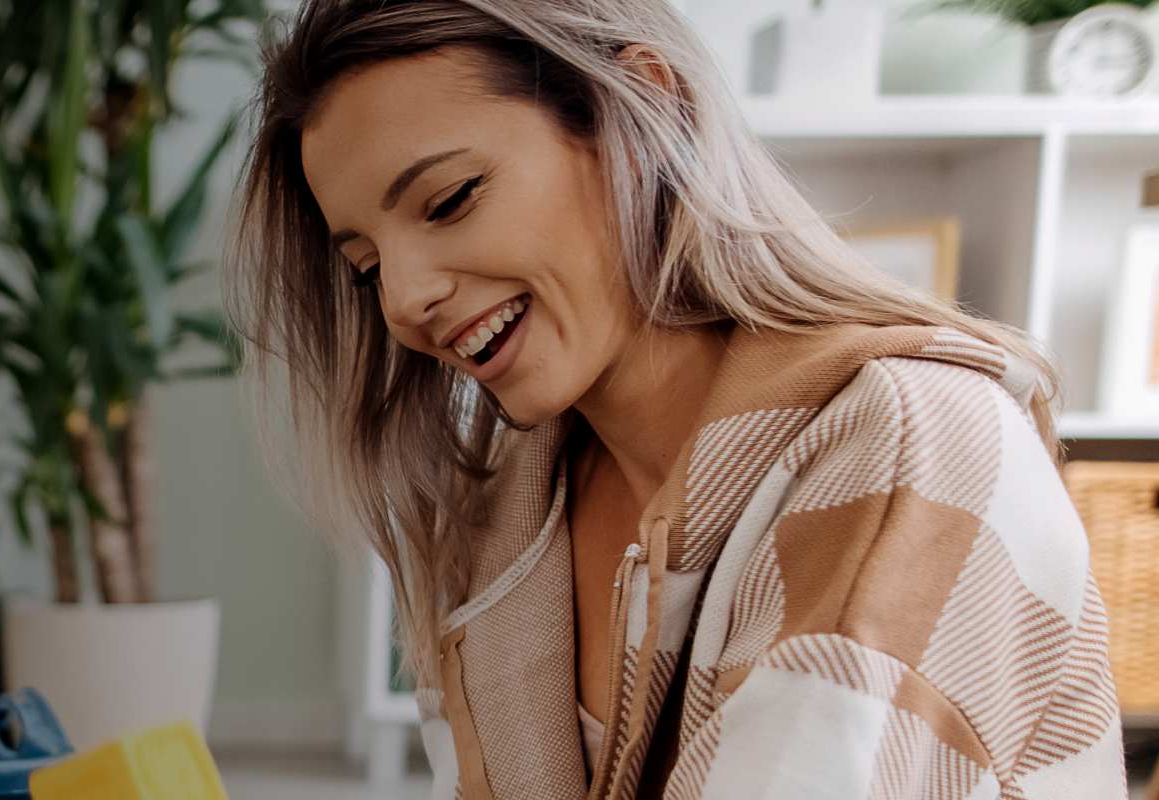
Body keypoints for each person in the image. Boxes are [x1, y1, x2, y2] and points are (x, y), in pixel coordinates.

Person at [232, 1, 1122, 796]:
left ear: (641, 108)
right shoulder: (499, 517)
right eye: (367, 266)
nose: (403, 302)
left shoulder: (914, 443)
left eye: (451, 199)